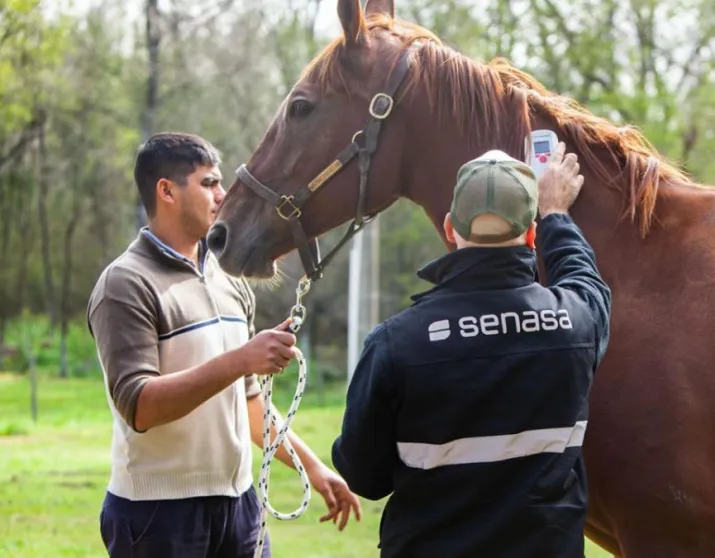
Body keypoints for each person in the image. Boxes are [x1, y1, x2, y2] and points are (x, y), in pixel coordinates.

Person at [87, 132, 362, 558]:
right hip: (157, 516)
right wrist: (240, 360)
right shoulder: (125, 284)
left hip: (240, 508)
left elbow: (248, 403)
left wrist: (313, 467)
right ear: (167, 191)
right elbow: (139, 406)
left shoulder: (229, 280)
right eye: (209, 183)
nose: (223, 195)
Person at [331, 143, 612, 557]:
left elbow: (364, 477)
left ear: (450, 228)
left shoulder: (395, 342)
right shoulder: (577, 321)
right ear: (531, 235)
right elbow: (584, 278)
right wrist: (556, 214)